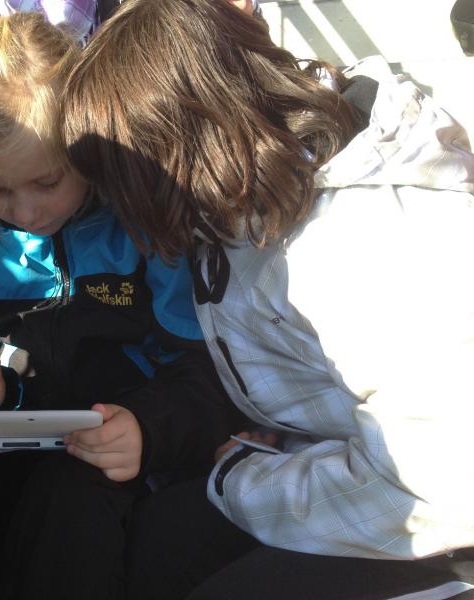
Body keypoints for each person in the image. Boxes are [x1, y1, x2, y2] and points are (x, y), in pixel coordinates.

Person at [60, 0, 474, 598]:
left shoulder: (364, 247)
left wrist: (247, 479)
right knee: (166, 536)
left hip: (441, 519)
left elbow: (437, 487)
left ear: (175, 159)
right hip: (355, 456)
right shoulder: (250, 200)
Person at [0, 11, 243, 600]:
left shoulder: (143, 237)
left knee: (71, 499)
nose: (26, 212)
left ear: (84, 151)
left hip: (122, 455)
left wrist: (146, 429)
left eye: (46, 183)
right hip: (2, 449)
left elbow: (205, 373)